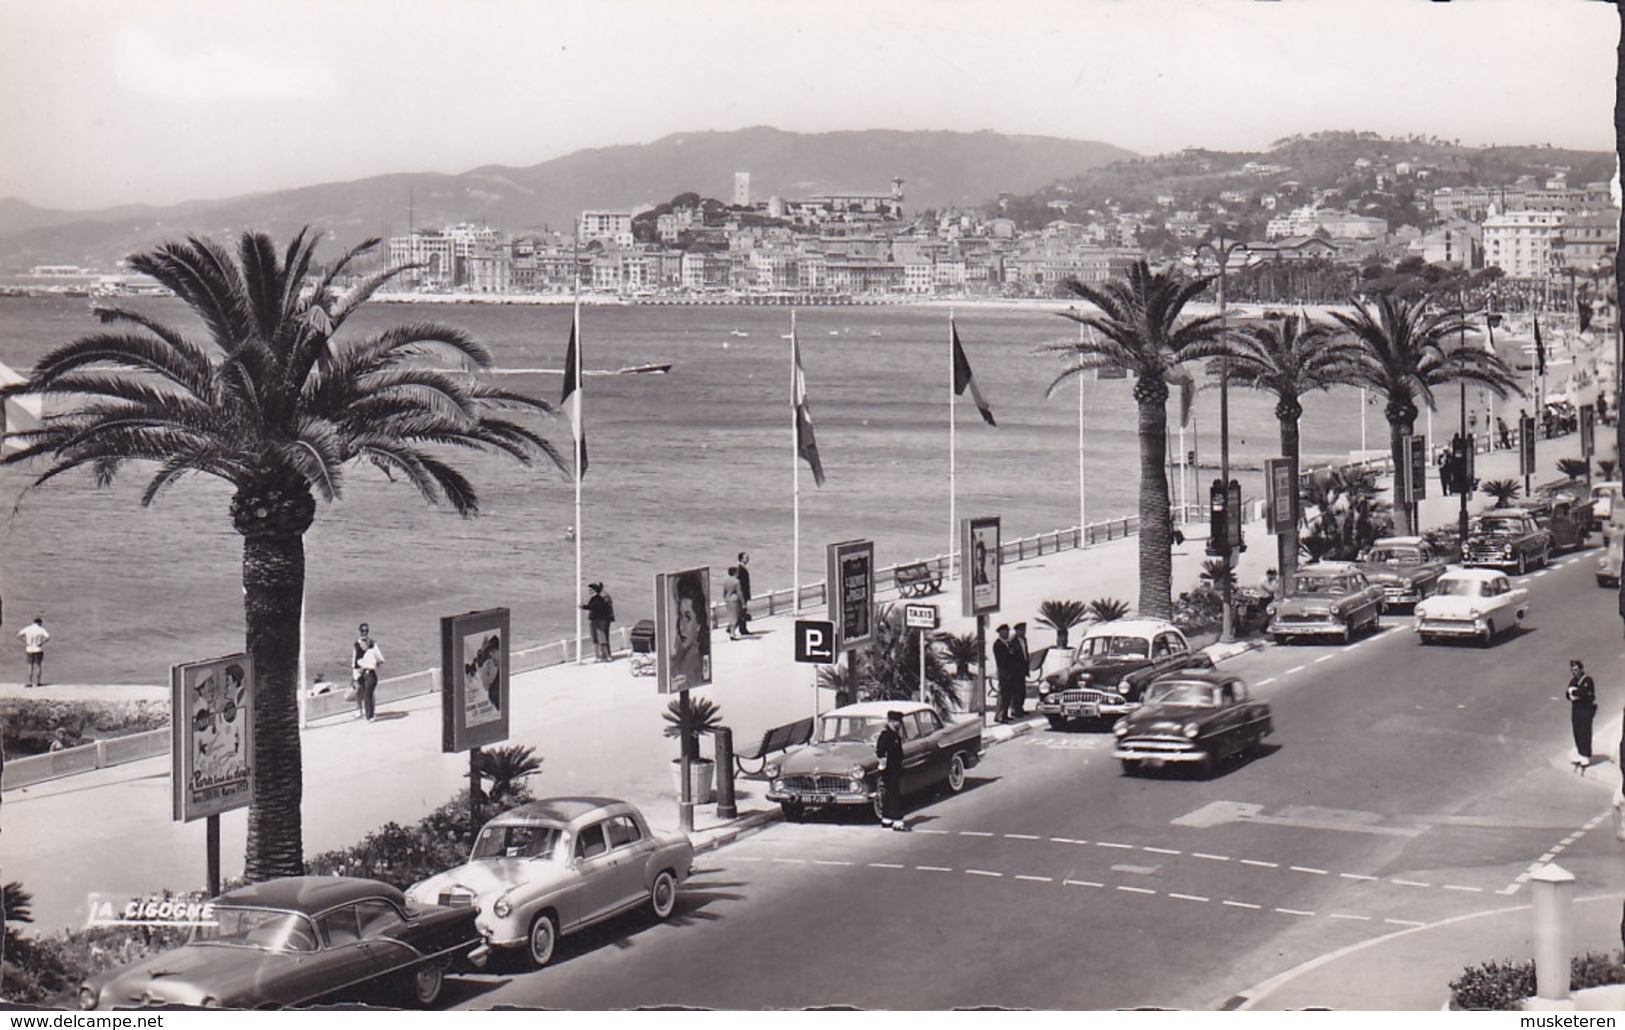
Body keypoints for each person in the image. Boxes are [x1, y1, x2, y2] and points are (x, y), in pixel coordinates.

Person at [670, 569, 710, 688]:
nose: (681, 627)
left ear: (699, 623)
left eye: (688, 618)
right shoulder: (681, 656)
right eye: (680, 617)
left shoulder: (694, 663)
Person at [875, 710, 909, 831]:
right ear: (892, 721)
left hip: (894, 768)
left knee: (889, 794)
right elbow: (880, 751)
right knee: (894, 794)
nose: (900, 724)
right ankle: (898, 821)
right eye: (898, 721)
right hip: (890, 770)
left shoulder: (894, 734)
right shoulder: (887, 735)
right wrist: (884, 765)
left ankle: (887, 818)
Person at [1567, 659, 1597, 768]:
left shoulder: (1587, 680)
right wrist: (1574, 693)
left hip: (1585, 711)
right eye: (1572, 670)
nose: (1574, 672)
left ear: (1581, 669)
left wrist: (1574, 692)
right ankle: (1580, 753)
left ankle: (1586, 755)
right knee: (1577, 731)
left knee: (1585, 731)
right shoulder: (1573, 681)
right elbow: (1567, 694)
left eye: (1576, 669)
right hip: (1576, 711)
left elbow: (1585, 693)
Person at [354, 629, 384, 721]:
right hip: (369, 675)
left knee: (367, 695)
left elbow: (361, 663)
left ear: (367, 644)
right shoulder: (370, 652)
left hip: (370, 674)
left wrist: (362, 665)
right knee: (368, 694)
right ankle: (370, 714)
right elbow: (380, 660)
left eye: (363, 644)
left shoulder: (370, 653)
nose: (361, 646)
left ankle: (369, 716)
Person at [581, 582, 615, 661]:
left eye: (590, 590)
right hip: (602, 620)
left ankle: (603, 656)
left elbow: (593, 607)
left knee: (598, 638)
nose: (588, 592)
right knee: (601, 638)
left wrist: (583, 606)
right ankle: (604, 655)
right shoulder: (601, 598)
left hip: (597, 621)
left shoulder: (597, 599)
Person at [991, 624, 1017, 723]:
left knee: (1008, 695)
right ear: (1000, 632)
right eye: (1005, 631)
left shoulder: (1007, 644)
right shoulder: (998, 644)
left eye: (1008, 631)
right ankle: (999, 715)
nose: (1007, 633)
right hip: (1004, 673)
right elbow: (1002, 661)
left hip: (1009, 673)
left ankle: (1005, 714)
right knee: (1003, 694)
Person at [17, 617, 48, 688]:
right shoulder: (41, 630)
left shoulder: (28, 628)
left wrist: (25, 642)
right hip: (38, 649)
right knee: (38, 665)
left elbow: (18, 636)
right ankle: (38, 682)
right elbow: (48, 637)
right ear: (40, 623)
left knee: (30, 666)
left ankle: (30, 682)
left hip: (29, 649)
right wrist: (41, 642)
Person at [1010, 623, 1031, 719]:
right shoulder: (1012, 641)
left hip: (1022, 669)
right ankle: (1015, 710)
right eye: (1022, 630)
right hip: (1015, 671)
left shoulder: (1025, 640)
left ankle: (1020, 708)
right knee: (1015, 691)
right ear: (1017, 631)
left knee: (1022, 690)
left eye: (1025, 630)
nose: (1024, 632)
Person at [722, 566, 745, 641]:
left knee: (731, 616)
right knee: (736, 617)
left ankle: (732, 632)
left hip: (728, 599)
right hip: (735, 600)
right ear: (735, 573)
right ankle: (732, 633)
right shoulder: (736, 581)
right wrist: (743, 603)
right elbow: (739, 593)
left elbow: (724, 591)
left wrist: (725, 598)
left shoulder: (725, 580)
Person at [735, 552, 753, 635]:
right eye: (746, 557)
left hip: (744, 594)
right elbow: (740, 584)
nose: (748, 559)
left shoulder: (743, 569)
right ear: (741, 559)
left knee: (742, 612)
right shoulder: (740, 570)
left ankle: (742, 628)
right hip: (742, 594)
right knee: (742, 611)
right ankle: (741, 629)